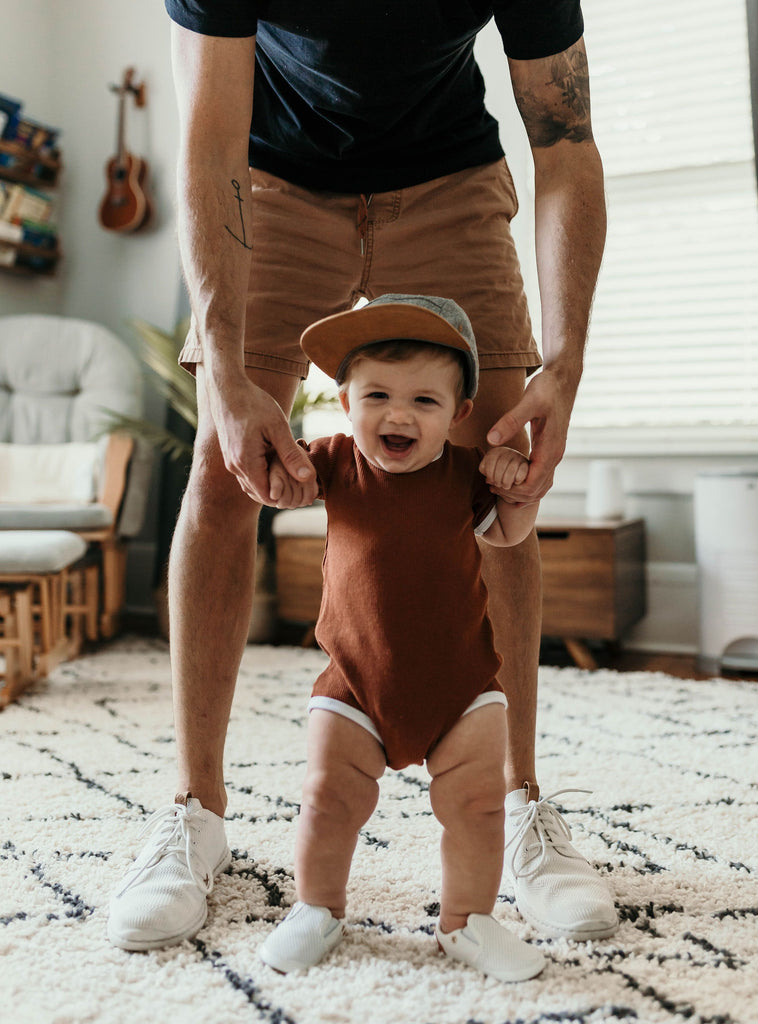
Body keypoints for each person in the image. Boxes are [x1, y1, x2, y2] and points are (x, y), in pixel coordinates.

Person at [107, 0, 617, 952]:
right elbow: (209, 132)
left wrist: (566, 365)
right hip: (270, 176)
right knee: (224, 474)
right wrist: (220, 372)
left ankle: (518, 806)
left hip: (449, 175)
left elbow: (566, 140)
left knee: (502, 475)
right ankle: (193, 814)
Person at [258, 293, 546, 982]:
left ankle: (467, 921)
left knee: (478, 803)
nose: (398, 415)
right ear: (344, 399)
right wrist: (283, 483)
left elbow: (509, 534)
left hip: (462, 687)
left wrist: (519, 492)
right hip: (354, 684)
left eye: (424, 401)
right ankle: (317, 909)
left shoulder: (465, 475)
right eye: (378, 394)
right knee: (329, 798)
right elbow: (276, 487)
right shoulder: (329, 461)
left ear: (460, 415)